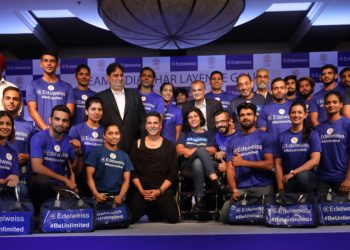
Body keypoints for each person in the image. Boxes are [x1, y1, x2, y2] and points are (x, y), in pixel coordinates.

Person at [28, 105, 82, 212]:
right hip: (40, 183)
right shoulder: (39, 137)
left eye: (64, 120)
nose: (60, 123)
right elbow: (36, 167)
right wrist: (65, 179)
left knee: (73, 205)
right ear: (50, 119)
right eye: (57, 119)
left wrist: (79, 154)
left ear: (69, 123)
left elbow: (76, 170)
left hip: (59, 186)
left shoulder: (70, 141)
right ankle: (37, 215)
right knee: (42, 181)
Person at [128, 112, 179, 223]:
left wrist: (159, 191)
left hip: (161, 190)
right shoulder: (136, 144)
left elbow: (172, 172)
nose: (152, 126)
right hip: (141, 190)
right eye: (149, 123)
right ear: (145, 126)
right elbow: (132, 171)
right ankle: (151, 209)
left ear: (160, 126)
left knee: (173, 218)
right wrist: (141, 190)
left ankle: (153, 209)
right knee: (130, 219)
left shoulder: (169, 146)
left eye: (155, 123)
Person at [176, 107, 228, 212]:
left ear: (200, 118)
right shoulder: (184, 134)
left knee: (198, 162)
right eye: (190, 117)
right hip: (188, 166)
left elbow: (213, 150)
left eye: (195, 116)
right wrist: (198, 150)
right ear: (187, 120)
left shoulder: (209, 134)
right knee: (198, 154)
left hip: (208, 163)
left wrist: (191, 151)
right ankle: (215, 180)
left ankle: (199, 202)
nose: (193, 119)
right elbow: (180, 150)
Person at [226, 102, 274, 198]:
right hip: (241, 188)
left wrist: (243, 163)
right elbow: (230, 169)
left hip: (264, 186)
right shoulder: (232, 141)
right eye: (242, 115)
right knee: (226, 211)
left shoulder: (265, 136)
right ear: (239, 119)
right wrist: (234, 190)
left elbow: (269, 165)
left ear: (255, 118)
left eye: (249, 114)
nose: (245, 117)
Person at [96, 63, 146, 153]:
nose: (119, 78)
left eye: (121, 75)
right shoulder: (100, 97)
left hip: (134, 146)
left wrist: (142, 141)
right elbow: (97, 123)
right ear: (108, 77)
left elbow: (143, 121)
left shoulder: (135, 95)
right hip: (109, 147)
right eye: (115, 75)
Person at [275, 101, 321, 193]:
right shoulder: (281, 137)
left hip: (306, 178)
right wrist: (280, 187)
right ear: (289, 115)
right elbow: (278, 164)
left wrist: (293, 173)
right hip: (288, 179)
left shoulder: (312, 134)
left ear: (305, 115)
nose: (296, 115)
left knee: (302, 176)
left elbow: (315, 160)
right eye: (293, 112)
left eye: (300, 112)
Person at [26, 50, 74, 130]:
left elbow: (70, 112)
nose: (49, 64)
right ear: (41, 64)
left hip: (61, 133)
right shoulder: (33, 85)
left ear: (57, 65)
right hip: (40, 132)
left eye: (52, 61)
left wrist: (58, 128)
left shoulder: (67, 87)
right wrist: (45, 128)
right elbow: (32, 110)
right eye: (45, 61)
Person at [86, 124, 133, 205]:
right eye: (110, 133)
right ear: (104, 135)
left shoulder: (125, 156)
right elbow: (89, 176)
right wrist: (95, 193)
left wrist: (121, 196)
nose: (114, 136)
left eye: (117, 133)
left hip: (117, 198)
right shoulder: (96, 152)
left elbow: (127, 180)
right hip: (99, 196)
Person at [315, 92, 350, 194]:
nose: (331, 105)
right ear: (324, 106)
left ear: (341, 104)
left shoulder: (347, 124)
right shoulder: (319, 128)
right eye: (328, 103)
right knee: (322, 209)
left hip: (343, 179)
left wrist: (348, 179)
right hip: (322, 179)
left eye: (335, 102)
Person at [69, 96, 104, 196]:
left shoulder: (106, 131)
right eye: (93, 109)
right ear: (86, 111)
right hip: (81, 175)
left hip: (100, 177)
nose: (97, 112)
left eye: (100, 109)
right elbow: (71, 158)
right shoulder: (76, 129)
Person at [2, 86, 35, 183]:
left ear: (20, 103)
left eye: (15, 99)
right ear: (2, 100)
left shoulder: (29, 126)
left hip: (21, 176)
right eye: (8, 98)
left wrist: (28, 156)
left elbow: (35, 152)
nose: (11, 101)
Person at [258, 77, 292, 144]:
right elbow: (262, 133)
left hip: (292, 147)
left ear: (286, 90)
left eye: (282, 88)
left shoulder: (293, 107)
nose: (279, 90)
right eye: (276, 88)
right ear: (271, 91)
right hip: (272, 148)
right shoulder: (265, 109)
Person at [0, 111, 19, 188]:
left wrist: (14, 179)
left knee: (23, 190)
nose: (5, 127)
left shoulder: (13, 153)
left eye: (8, 124)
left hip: (5, 191)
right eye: (1, 123)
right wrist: (3, 181)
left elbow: (14, 176)